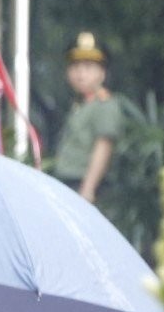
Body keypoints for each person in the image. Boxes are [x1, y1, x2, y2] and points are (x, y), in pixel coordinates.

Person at [50, 32, 123, 204]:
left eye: (88, 67)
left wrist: (88, 189)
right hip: (68, 185)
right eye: (75, 67)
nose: (80, 73)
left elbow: (103, 146)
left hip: (86, 187)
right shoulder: (81, 105)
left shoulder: (104, 105)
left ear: (102, 73)